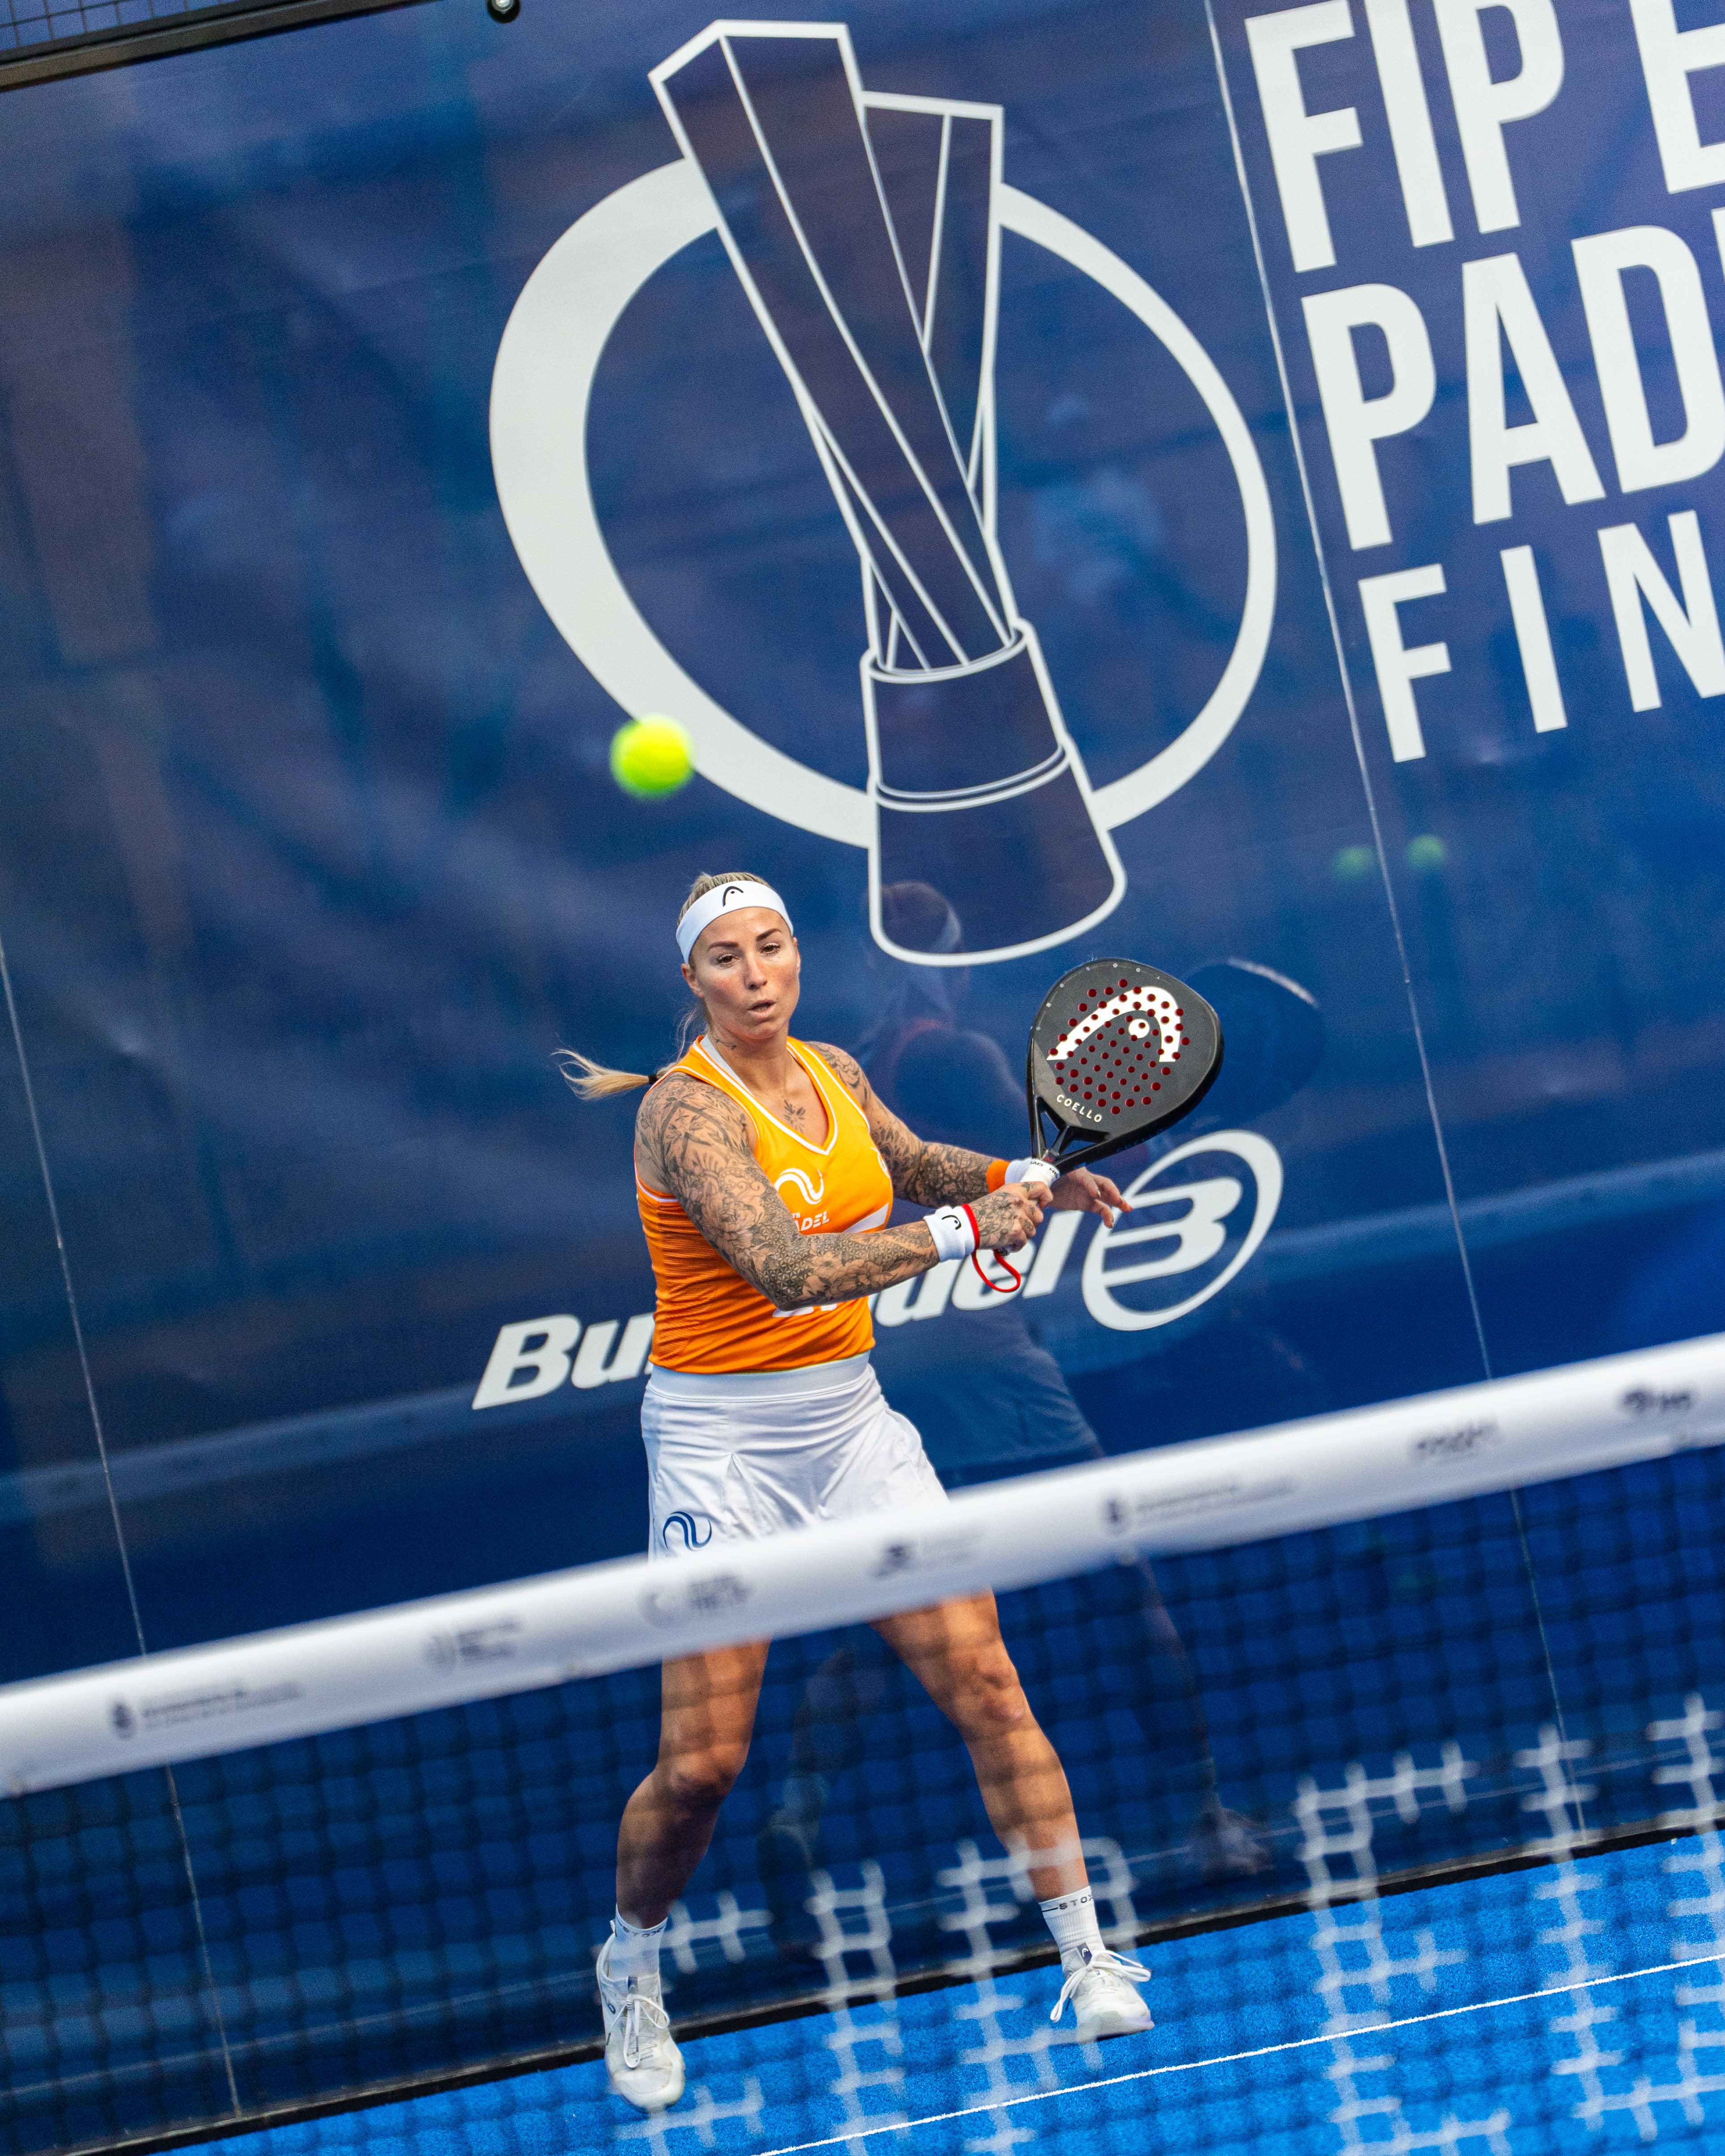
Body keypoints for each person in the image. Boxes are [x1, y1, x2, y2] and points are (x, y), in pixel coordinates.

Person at [562, 870, 1150, 2114]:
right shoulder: (682, 1112)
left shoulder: (830, 1069)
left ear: (796, 956)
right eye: (728, 958)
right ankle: (631, 1969)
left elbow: (915, 1162)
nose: (756, 975)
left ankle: (1088, 1954)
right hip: (720, 1451)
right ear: (693, 982)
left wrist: (1028, 1177)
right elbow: (784, 1270)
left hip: (852, 1429)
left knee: (988, 1684)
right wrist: (968, 1232)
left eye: (772, 947)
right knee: (703, 1767)